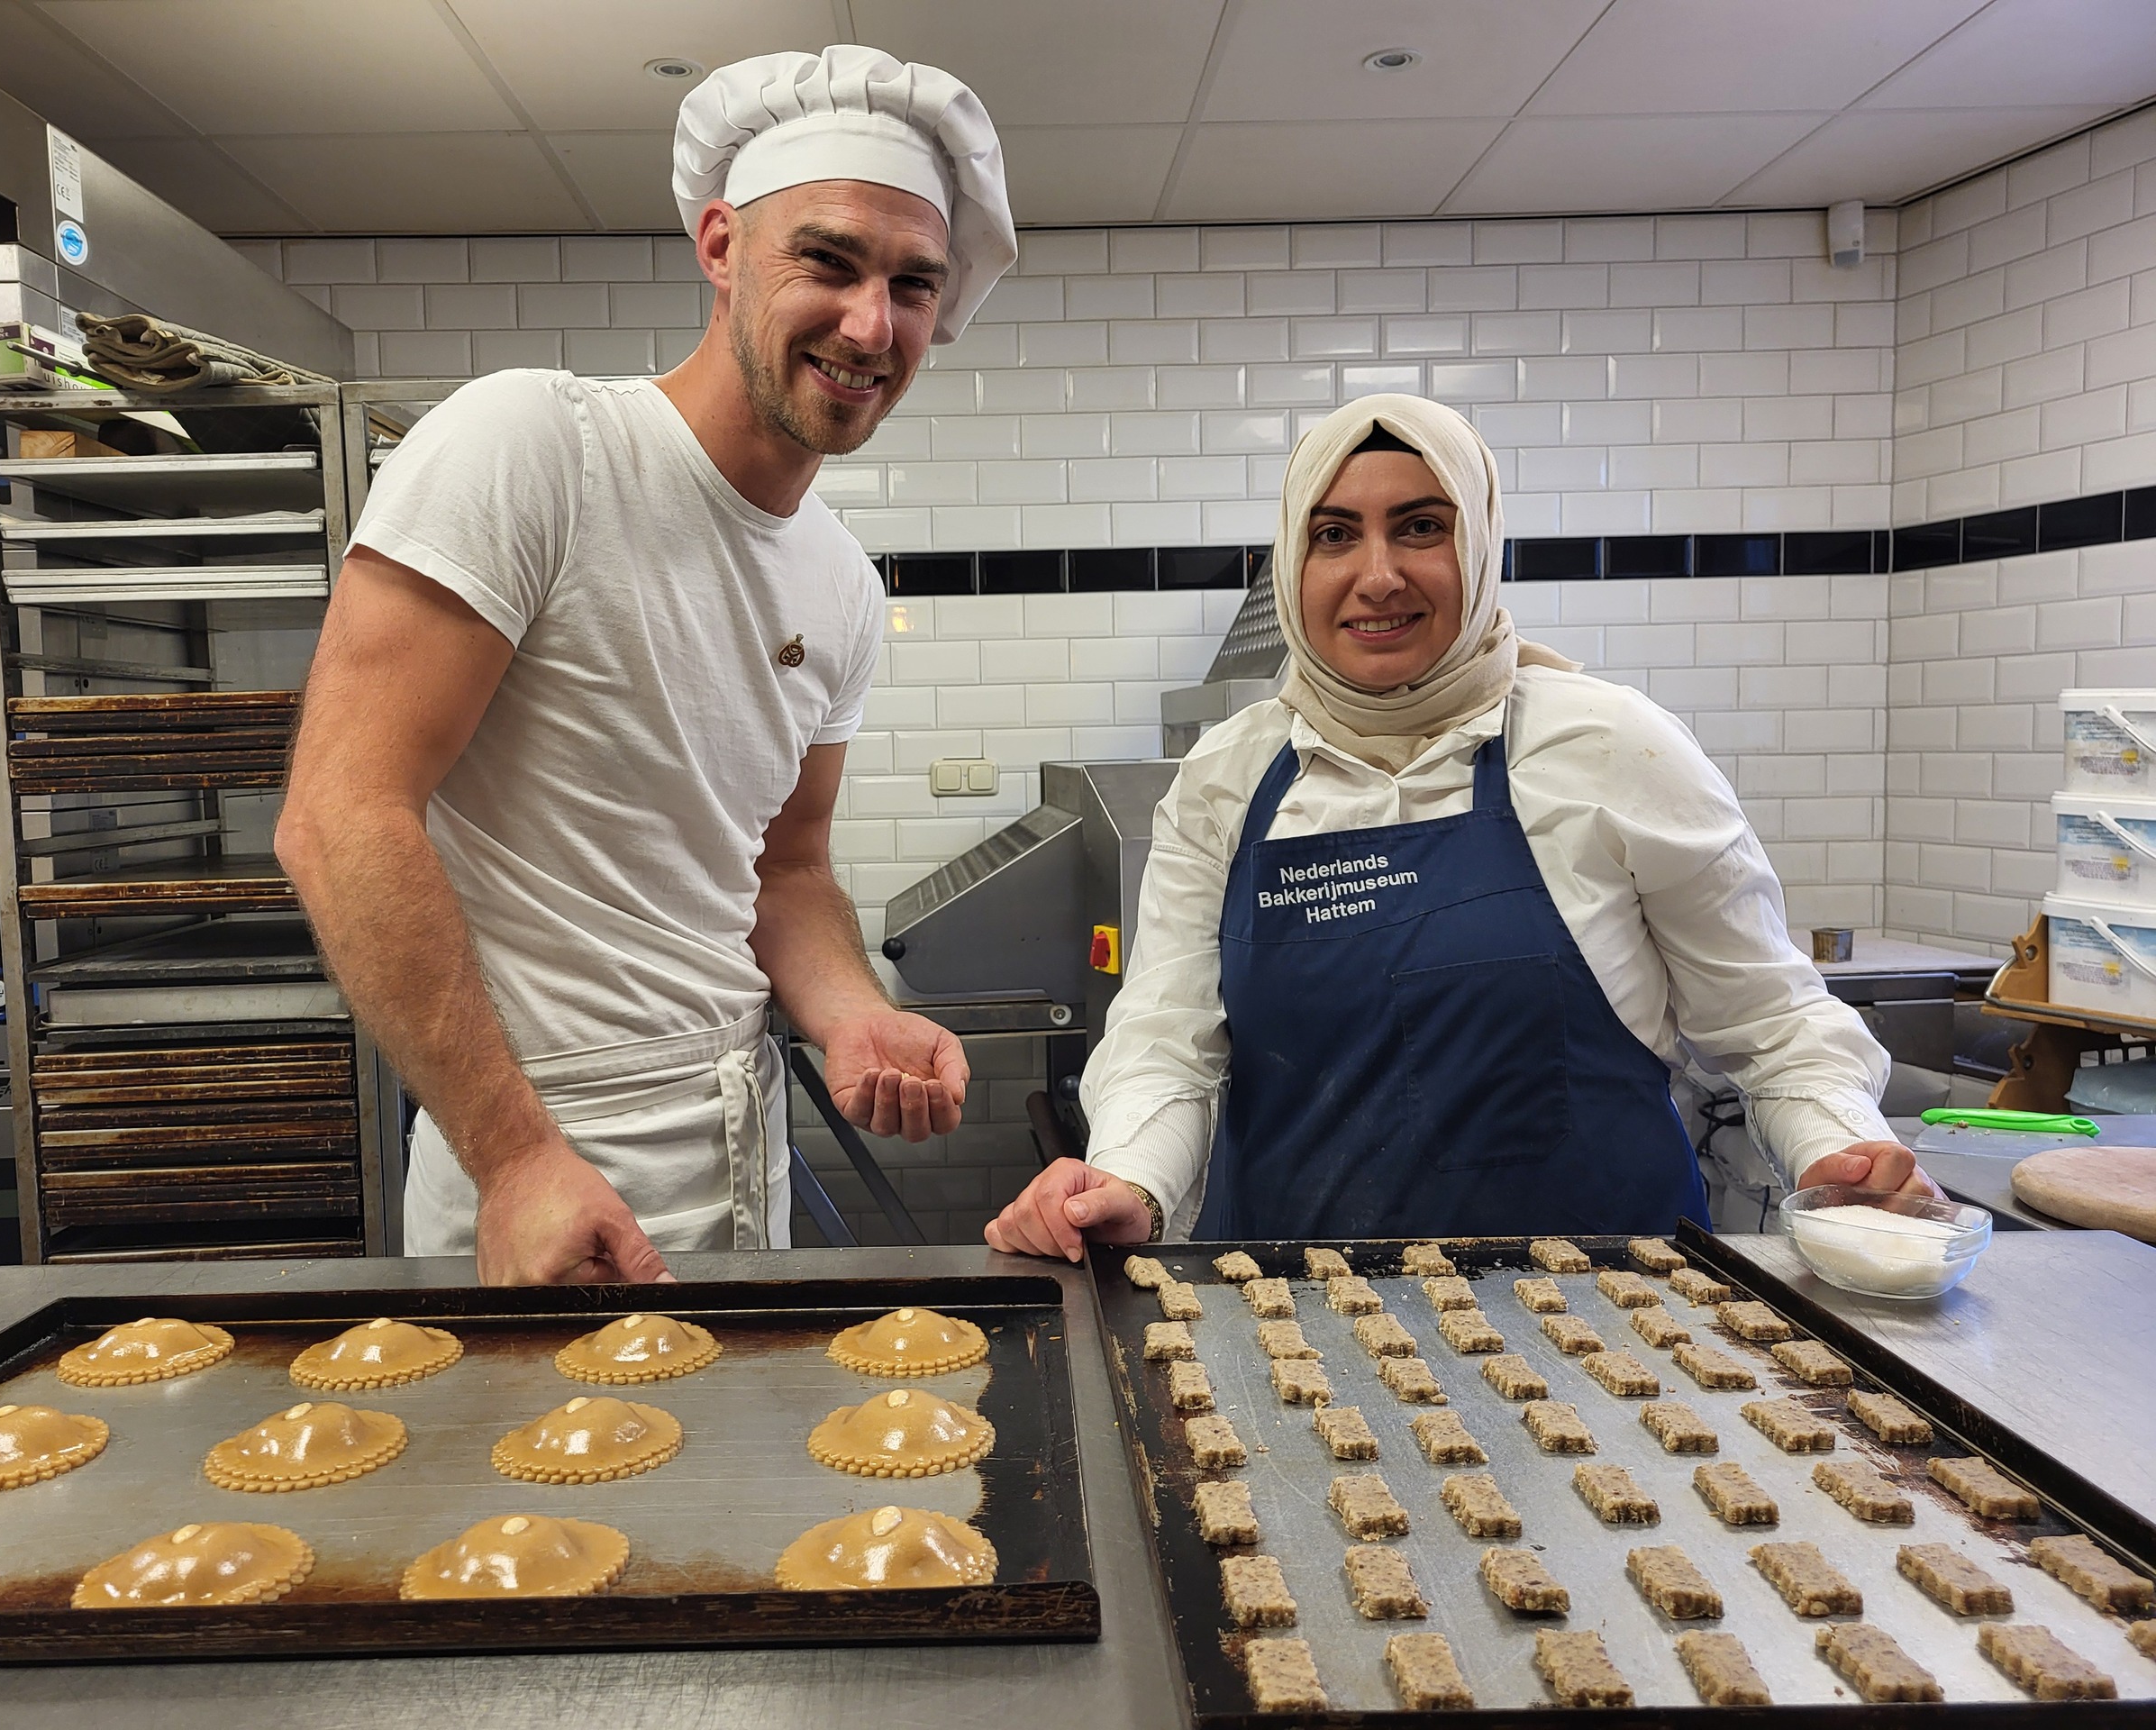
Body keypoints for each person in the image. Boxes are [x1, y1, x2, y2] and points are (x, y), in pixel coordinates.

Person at [277, 47, 1014, 1285]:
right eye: (827, 262)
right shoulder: (535, 449)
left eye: (913, 285)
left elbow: (787, 868)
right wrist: (514, 1159)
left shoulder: (839, 580)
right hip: (534, 1159)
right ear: (722, 245)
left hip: (737, 1157)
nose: (870, 324)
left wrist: (852, 1015)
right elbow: (339, 814)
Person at [987, 393, 1930, 1261]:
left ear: (1478, 543)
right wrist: (1129, 1180)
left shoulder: (1608, 744)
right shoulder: (1227, 776)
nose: (1378, 574)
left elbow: (1769, 1023)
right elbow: (1168, 1032)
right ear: (1291, 560)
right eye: (1334, 535)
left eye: (1421, 528)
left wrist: (1840, 1150)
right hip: (1288, 1308)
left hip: (1608, 1308)